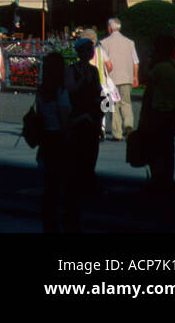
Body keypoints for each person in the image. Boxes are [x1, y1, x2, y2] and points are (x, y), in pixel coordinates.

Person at [138, 33, 175, 195]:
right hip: (173, 111)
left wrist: (147, 61)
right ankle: (168, 178)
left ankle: (158, 179)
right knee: (168, 147)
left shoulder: (159, 68)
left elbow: (148, 81)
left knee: (156, 147)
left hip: (158, 111)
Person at [34, 51, 74, 232]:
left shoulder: (42, 91)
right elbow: (64, 119)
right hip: (59, 138)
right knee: (64, 183)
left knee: (49, 184)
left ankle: (48, 222)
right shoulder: (61, 91)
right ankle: (65, 220)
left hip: (46, 138)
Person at [66, 37, 103, 195]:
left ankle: (89, 178)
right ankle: (78, 182)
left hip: (92, 115)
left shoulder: (94, 70)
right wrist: (82, 79)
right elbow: (70, 90)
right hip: (77, 114)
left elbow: (99, 91)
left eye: (91, 49)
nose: (90, 53)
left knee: (92, 151)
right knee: (77, 151)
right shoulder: (72, 70)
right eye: (87, 49)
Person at [100, 17, 139, 141]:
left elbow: (103, 62)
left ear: (109, 28)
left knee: (114, 106)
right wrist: (135, 76)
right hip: (126, 77)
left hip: (111, 79)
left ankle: (117, 133)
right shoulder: (129, 42)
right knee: (126, 103)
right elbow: (136, 62)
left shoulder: (104, 43)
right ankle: (129, 125)